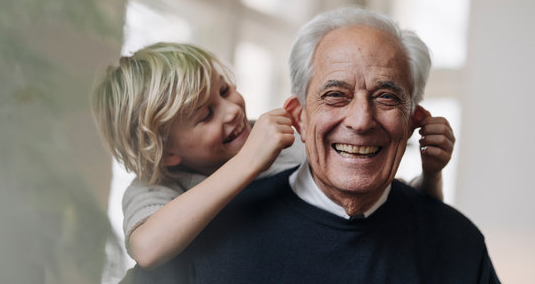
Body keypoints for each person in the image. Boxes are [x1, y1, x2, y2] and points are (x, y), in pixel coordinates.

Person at [91, 42, 454, 274]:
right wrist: (249, 162)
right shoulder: (157, 186)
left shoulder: (287, 138)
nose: (231, 110)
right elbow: (148, 248)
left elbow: (393, 214)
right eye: (205, 115)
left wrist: (431, 173)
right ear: (167, 151)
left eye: (225, 90)